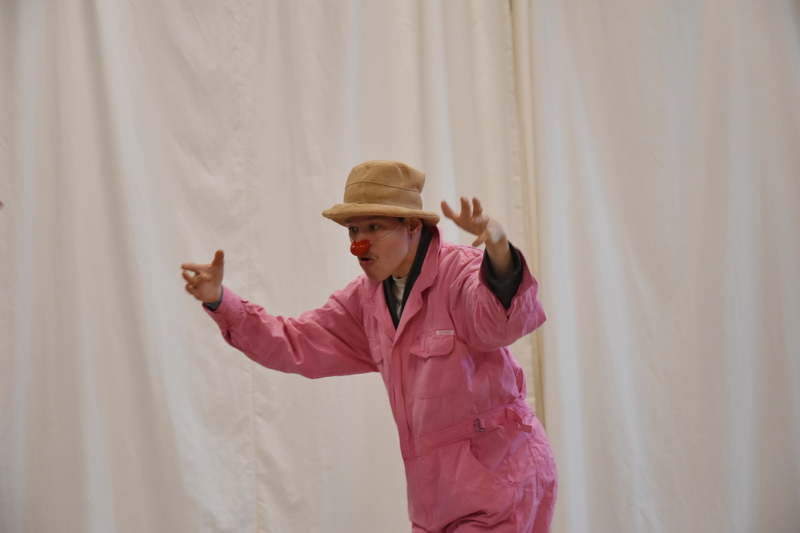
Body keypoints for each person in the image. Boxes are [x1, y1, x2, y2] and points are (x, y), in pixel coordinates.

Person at [181, 160, 557, 532]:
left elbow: (500, 325)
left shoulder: (460, 272)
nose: (358, 243)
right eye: (352, 229)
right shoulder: (366, 301)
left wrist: (499, 250)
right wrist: (220, 301)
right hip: (434, 500)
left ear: (412, 226)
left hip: (501, 482)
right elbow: (296, 342)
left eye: (374, 227)